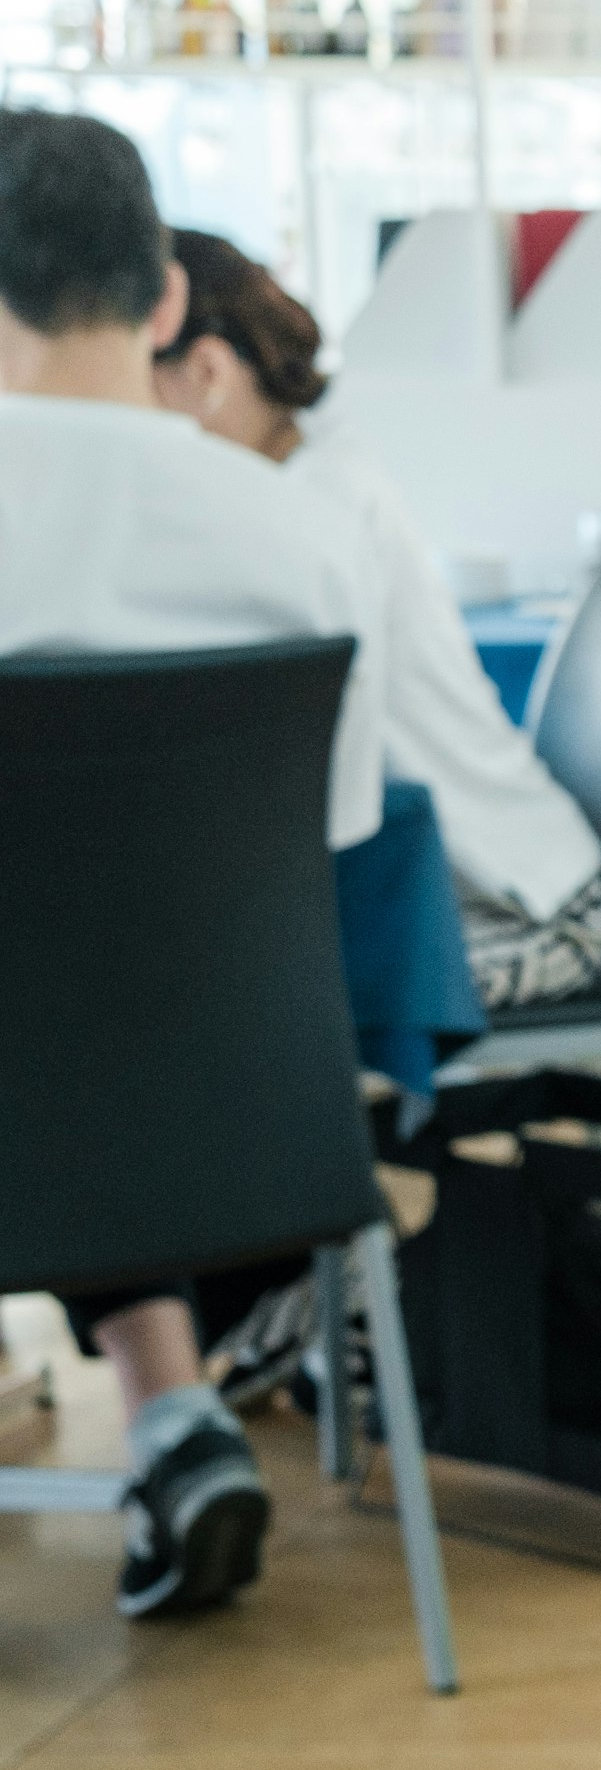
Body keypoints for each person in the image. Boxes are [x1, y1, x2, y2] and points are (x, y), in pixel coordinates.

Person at [0, 110, 382, 1620]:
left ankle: (169, 1411)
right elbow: (338, 851)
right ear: (166, 301)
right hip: (248, 1134)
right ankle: (173, 1409)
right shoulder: (293, 534)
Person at [156, 227, 601, 1012]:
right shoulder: (309, 476)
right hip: (460, 890)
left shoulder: (318, 507)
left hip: (531, 914)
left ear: (205, 371)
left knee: (231, 996)